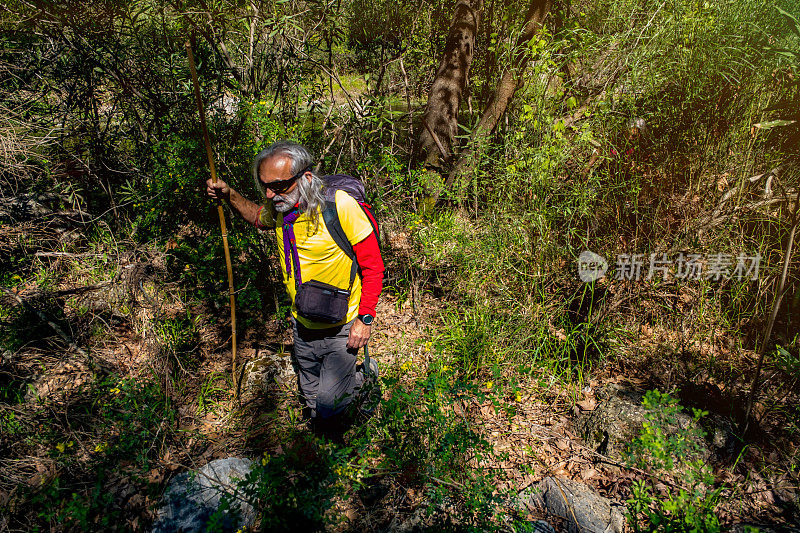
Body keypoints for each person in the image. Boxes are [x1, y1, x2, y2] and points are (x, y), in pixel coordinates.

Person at [206, 140, 384, 429]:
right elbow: (255, 216)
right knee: (312, 398)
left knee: (329, 407)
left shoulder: (340, 206)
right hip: (302, 324)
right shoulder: (281, 210)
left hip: (343, 326)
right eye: (264, 186)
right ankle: (322, 440)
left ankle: (365, 381)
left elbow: (373, 267)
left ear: (306, 178)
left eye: (278, 186)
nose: (269, 194)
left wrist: (365, 320)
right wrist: (229, 195)